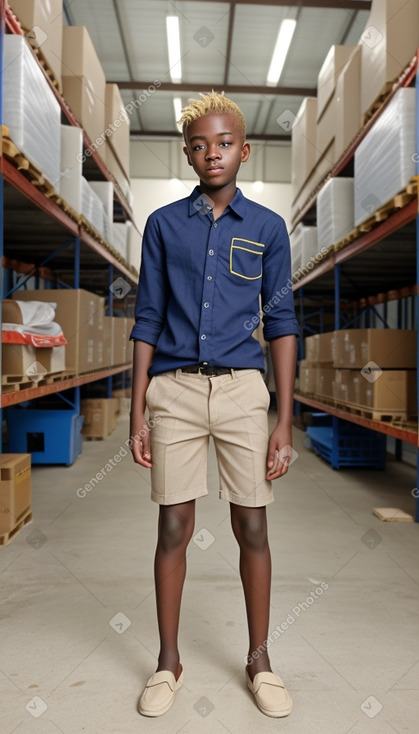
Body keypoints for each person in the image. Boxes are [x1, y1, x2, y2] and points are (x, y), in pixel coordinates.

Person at [129, 91, 299, 719]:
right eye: (200, 145)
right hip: (173, 389)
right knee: (174, 524)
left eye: (224, 142)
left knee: (251, 523)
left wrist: (283, 418)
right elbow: (147, 317)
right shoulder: (164, 226)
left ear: (244, 149)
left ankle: (259, 659)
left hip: (241, 392)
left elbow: (281, 322)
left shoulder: (267, 230)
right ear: (187, 154)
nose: (212, 153)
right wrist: (137, 407)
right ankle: (168, 660)